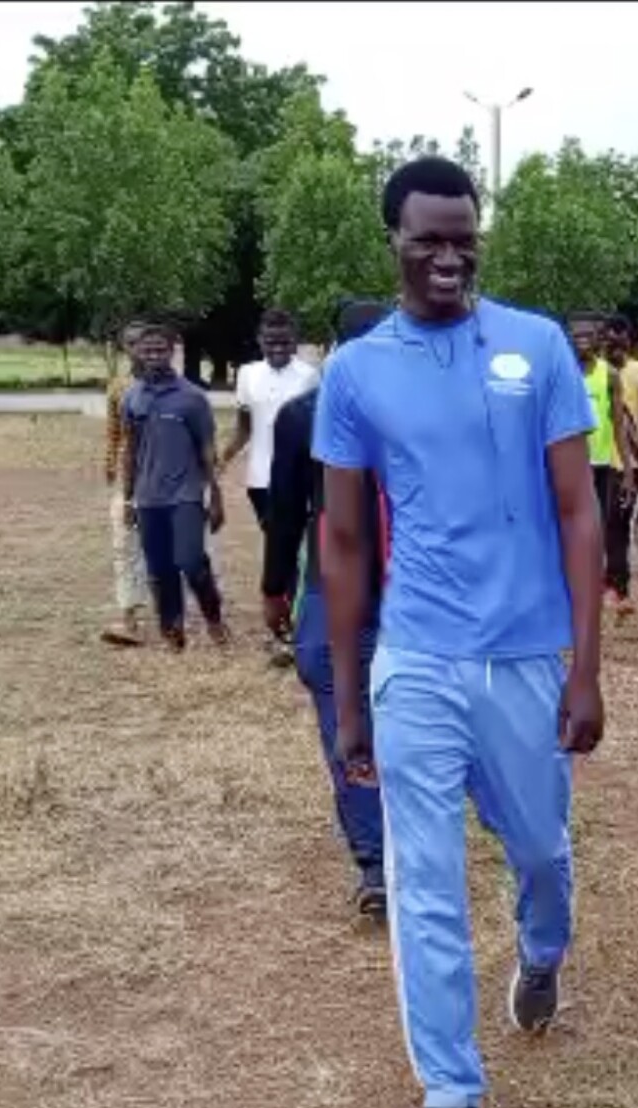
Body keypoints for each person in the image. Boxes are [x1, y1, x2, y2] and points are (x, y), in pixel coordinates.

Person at [313, 156, 605, 1108]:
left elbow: (580, 511)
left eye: (463, 236)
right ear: (391, 240)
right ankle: (450, 1095)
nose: (447, 255)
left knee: (537, 844)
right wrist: (350, 698)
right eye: (426, 237)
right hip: (418, 659)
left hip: (527, 655)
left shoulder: (536, 348)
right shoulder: (356, 373)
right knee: (423, 882)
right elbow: (344, 542)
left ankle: (542, 945)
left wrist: (586, 667)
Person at [263, 297, 393, 923]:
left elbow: (286, 517)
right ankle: (377, 860)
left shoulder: (309, 414)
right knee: (352, 709)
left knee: (352, 714)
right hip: (356, 589)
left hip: (370, 591)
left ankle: (378, 857)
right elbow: (285, 512)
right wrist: (275, 586)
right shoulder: (302, 418)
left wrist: (274, 589)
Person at [120, 319, 229, 652]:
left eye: (161, 349)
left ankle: (213, 617)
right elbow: (130, 450)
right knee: (160, 569)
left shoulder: (192, 398)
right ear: (139, 352)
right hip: (148, 496)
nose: (154, 354)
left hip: (186, 495)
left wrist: (216, 496)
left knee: (191, 561)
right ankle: (172, 628)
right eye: (148, 349)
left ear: (172, 352)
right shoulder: (133, 397)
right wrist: (127, 499)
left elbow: (208, 451)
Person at [222, 309, 320, 529]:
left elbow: (316, 429)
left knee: (295, 541)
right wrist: (222, 459)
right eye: (270, 342)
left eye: (285, 343)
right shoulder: (247, 374)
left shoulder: (310, 376)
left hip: (298, 476)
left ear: (294, 341)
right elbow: (244, 428)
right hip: (259, 476)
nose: (278, 349)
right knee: (273, 538)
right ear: (260, 341)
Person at [573, 313, 638, 616]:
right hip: (569, 466)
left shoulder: (609, 375)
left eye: (588, 336)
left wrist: (627, 469)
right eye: (577, 336)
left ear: (598, 339)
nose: (582, 341)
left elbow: (617, 426)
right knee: (568, 530)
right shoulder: (562, 372)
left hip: (600, 465)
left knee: (596, 529)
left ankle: (595, 587)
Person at [100, 320, 152, 647]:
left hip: (164, 478)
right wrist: (109, 462)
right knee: (125, 544)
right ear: (125, 348)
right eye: (131, 343)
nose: (139, 350)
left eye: (144, 343)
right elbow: (113, 430)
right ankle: (129, 616)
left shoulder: (170, 385)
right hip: (128, 476)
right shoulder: (118, 387)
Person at [606, 318, 638, 554]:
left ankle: (619, 566)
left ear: (628, 340)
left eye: (620, 337)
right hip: (599, 456)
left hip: (630, 457)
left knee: (622, 515)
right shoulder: (593, 371)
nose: (615, 343)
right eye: (610, 337)